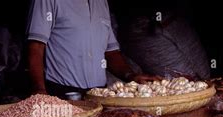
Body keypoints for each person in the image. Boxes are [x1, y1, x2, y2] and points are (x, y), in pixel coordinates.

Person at [26, 0, 156, 98]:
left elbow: (110, 52)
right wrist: (39, 90)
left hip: (99, 95)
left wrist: (131, 76)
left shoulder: (101, 3)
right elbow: (36, 47)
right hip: (62, 94)